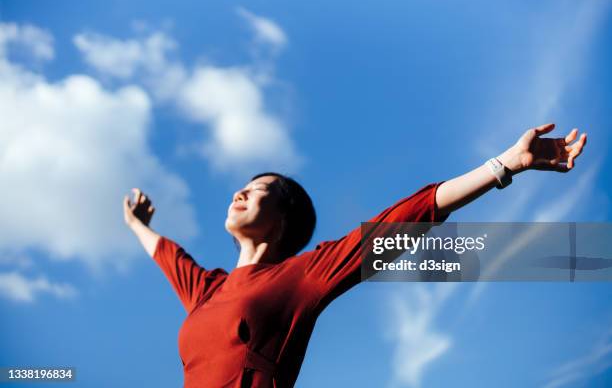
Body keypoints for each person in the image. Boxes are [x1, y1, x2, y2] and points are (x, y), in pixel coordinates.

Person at [123, 123, 586, 387]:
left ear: (283, 218)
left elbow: (405, 218)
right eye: (242, 186)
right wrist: (136, 224)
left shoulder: (302, 275)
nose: (240, 191)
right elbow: (169, 255)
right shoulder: (206, 290)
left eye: (259, 189)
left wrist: (503, 164)